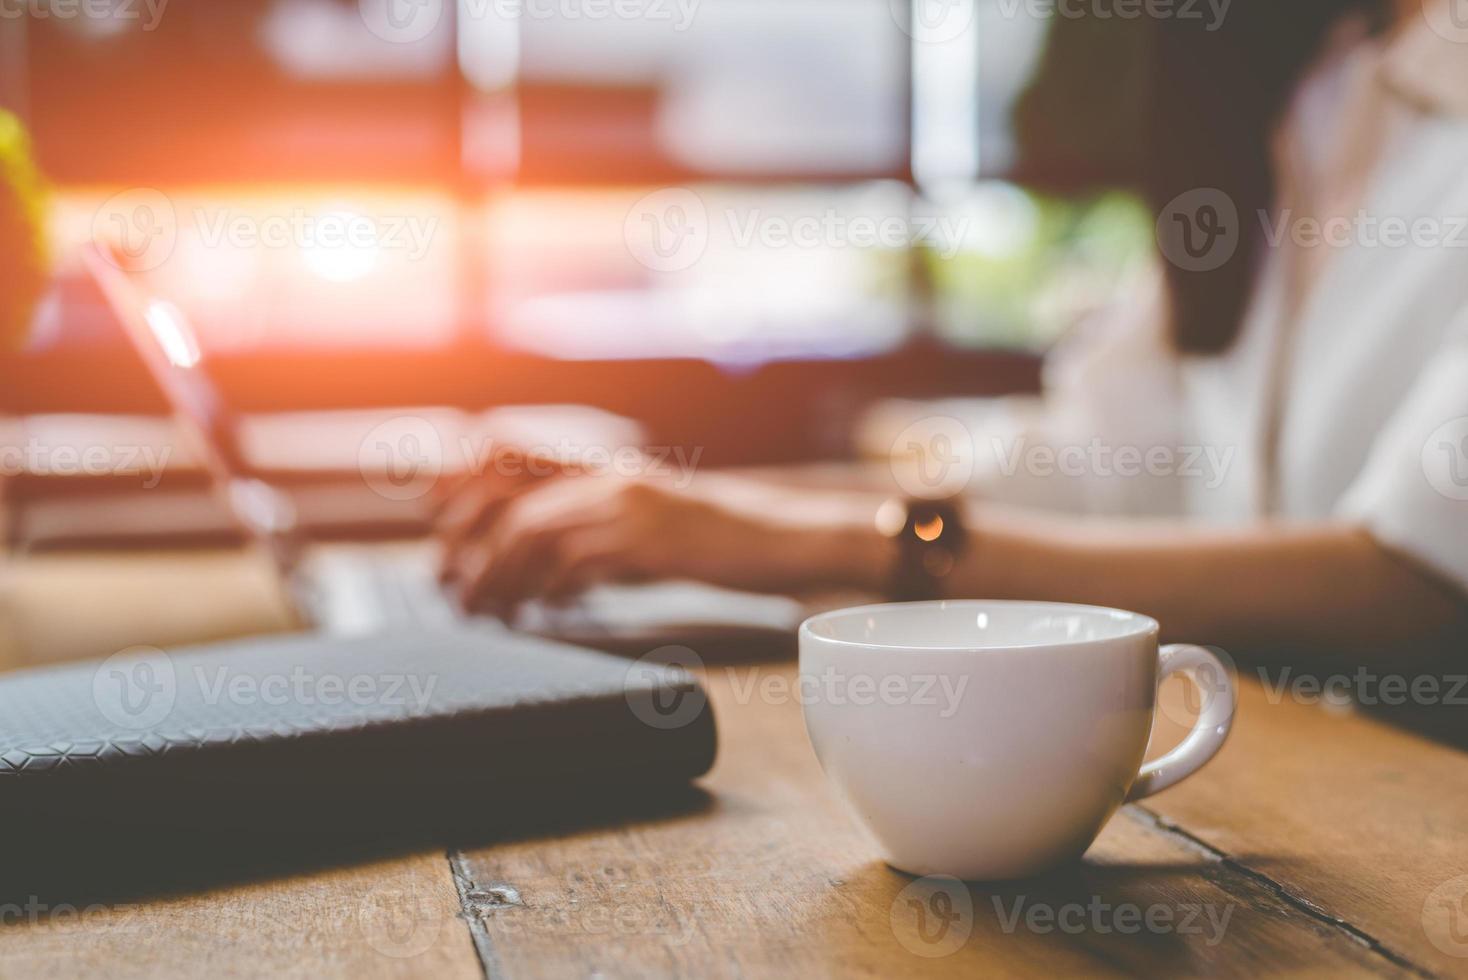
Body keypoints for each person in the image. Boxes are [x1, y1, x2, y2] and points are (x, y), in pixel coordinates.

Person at [439, 0, 1468, 662]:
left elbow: (1409, 578)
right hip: (1275, 789)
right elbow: (1084, 472)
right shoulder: (1306, 96)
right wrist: (667, 501)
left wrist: (789, 534)